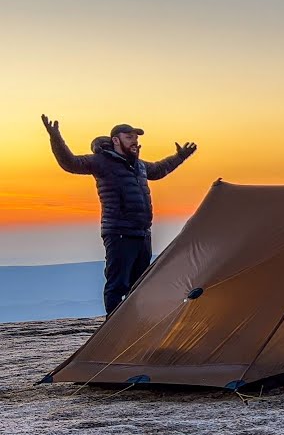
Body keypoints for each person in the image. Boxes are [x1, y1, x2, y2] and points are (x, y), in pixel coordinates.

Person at [42, 115, 198, 314]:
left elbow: (159, 170)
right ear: (116, 140)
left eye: (136, 138)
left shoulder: (138, 165)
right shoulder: (101, 161)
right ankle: (113, 328)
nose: (135, 141)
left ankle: (136, 325)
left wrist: (180, 156)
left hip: (142, 233)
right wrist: (55, 138)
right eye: (129, 137)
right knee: (117, 284)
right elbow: (70, 163)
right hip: (119, 233)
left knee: (140, 285)